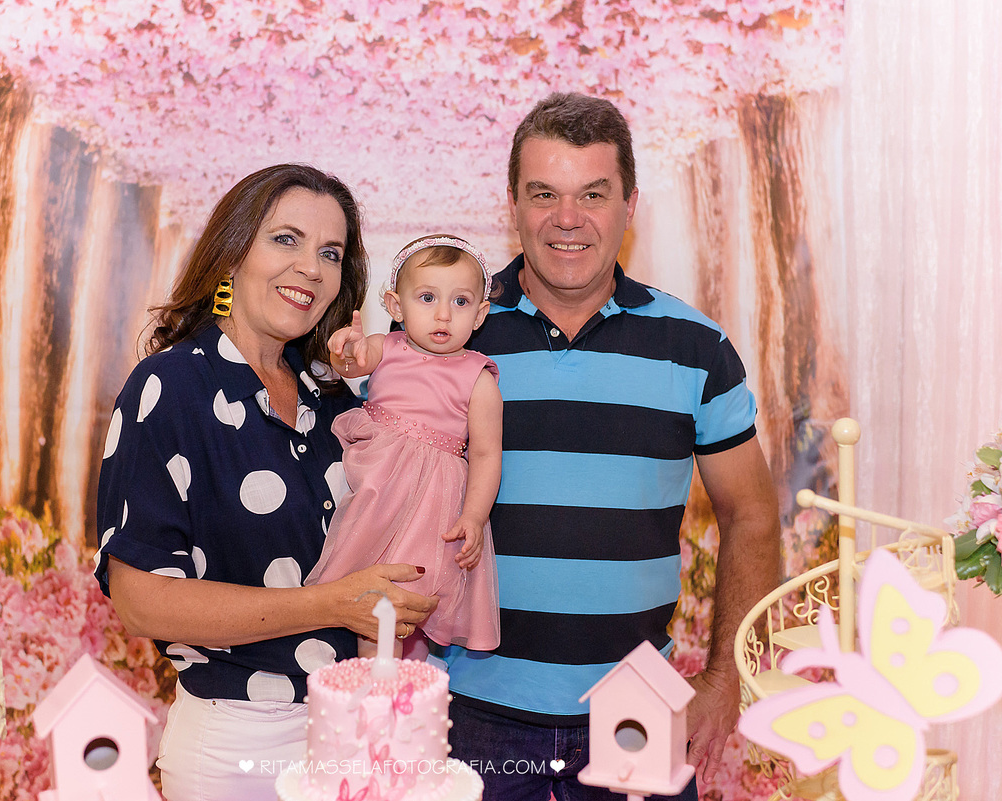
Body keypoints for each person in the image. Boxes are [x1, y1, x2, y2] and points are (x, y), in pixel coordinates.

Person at [441, 93, 780, 801]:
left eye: (592, 194)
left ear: (630, 204)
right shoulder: (448, 336)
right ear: (513, 204)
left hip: (639, 714)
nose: (567, 218)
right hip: (468, 718)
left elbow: (750, 513)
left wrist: (725, 679)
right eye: (545, 194)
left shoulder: (697, 347)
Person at [93, 164, 439, 801]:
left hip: (351, 731)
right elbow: (140, 601)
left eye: (330, 253)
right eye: (286, 240)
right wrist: (328, 604)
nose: (311, 268)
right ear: (232, 254)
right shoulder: (170, 387)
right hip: (236, 744)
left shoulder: (332, 399)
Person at [306, 235, 504, 660]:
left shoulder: (479, 378)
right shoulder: (388, 346)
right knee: (365, 579)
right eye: (427, 297)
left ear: (480, 315)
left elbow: (486, 454)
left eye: (461, 301)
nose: (443, 314)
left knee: (408, 588)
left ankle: (396, 677)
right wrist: (345, 350)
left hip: (431, 498)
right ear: (396, 306)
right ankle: (369, 672)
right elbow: (351, 365)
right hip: (378, 481)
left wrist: (474, 515)